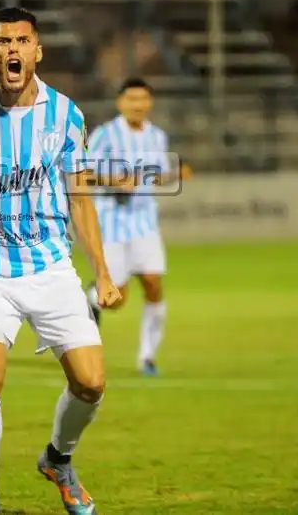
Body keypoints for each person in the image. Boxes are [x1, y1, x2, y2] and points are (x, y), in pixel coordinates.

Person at [0, 6, 121, 515]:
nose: (12, 49)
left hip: (51, 267)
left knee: (91, 383)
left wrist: (102, 273)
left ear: (37, 51)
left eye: (21, 41)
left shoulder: (66, 115)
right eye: (3, 42)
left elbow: (80, 198)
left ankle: (58, 459)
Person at [84, 77, 185, 376]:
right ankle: (87, 299)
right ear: (120, 103)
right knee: (115, 299)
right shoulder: (105, 134)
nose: (137, 105)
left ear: (150, 102)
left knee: (153, 282)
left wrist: (173, 175)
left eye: (142, 99)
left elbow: (157, 175)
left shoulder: (157, 136)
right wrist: (113, 180)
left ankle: (147, 358)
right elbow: (83, 172)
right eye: (131, 99)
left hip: (144, 221)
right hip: (110, 220)